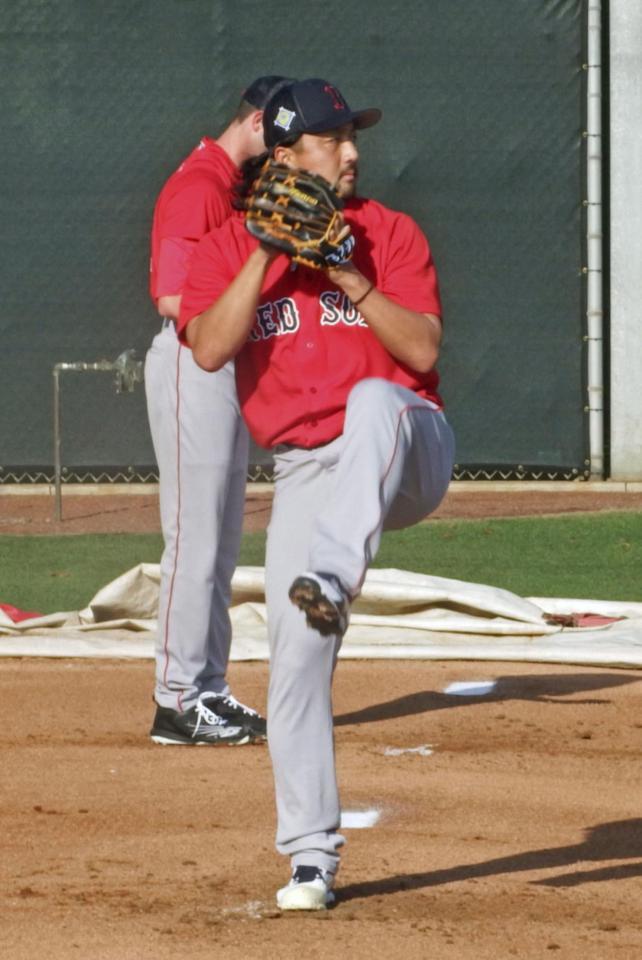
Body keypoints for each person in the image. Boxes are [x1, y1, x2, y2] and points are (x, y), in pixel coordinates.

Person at [178, 78, 455, 906]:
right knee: (295, 660)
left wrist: (347, 277)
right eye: (335, 139)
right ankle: (309, 857)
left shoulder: (386, 233)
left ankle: (332, 576)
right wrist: (267, 252)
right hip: (307, 470)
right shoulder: (231, 245)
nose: (353, 152)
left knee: (374, 398)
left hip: (406, 444)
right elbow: (209, 350)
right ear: (286, 156)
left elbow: (423, 349)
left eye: (352, 137)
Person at [145, 76, 291, 747]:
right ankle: (176, 698)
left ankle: (209, 688)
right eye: (281, 136)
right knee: (194, 540)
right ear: (258, 122)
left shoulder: (226, 184)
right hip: (189, 364)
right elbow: (174, 298)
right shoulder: (201, 185)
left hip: (222, 365)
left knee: (222, 544)